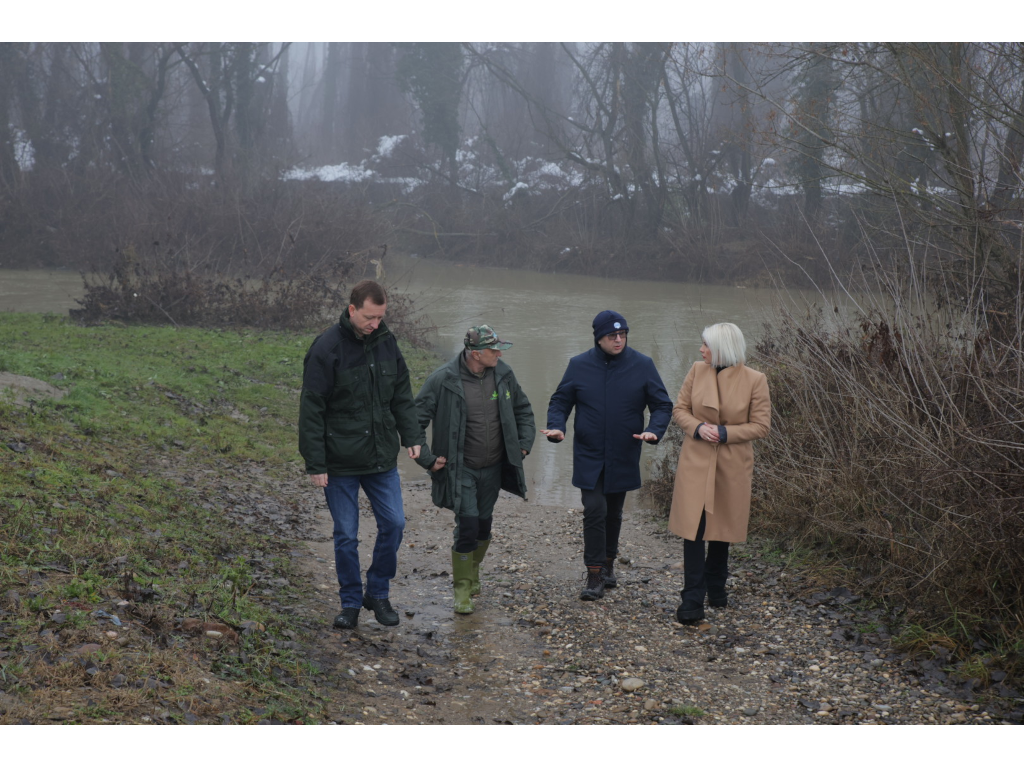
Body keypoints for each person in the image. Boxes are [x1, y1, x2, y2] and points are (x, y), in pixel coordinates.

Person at [299, 280, 424, 631]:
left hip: (380, 458)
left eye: (380, 317)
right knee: (346, 536)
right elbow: (311, 410)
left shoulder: (387, 341)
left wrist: (412, 436)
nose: (375, 324)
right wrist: (315, 462)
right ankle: (351, 602)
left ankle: (378, 593)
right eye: (369, 317)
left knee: (395, 524)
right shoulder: (326, 348)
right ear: (352, 309)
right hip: (339, 462)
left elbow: (401, 394)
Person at [542, 310, 673, 602]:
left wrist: (653, 430)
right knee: (594, 509)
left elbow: (662, 405)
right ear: (599, 338)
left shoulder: (642, 365)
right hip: (588, 453)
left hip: (624, 452)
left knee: (613, 512)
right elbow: (560, 401)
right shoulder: (579, 365)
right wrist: (556, 426)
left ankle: (608, 565)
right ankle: (594, 574)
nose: (618, 340)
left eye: (622, 334)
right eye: (612, 335)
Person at [415, 326, 536, 615]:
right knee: (467, 526)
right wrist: (427, 458)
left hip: (493, 468)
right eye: (494, 350)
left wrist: (523, 446)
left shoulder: (503, 374)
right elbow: (414, 420)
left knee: (483, 525)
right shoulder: (443, 379)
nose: (499, 354)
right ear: (476, 353)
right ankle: (462, 590)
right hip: (461, 469)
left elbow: (523, 410)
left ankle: (473, 572)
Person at [668, 323, 771, 624]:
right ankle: (691, 597)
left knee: (721, 527)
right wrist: (698, 427)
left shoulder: (755, 379)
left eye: (706, 345)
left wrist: (725, 433)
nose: (701, 350)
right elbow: (680, 410)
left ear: (722, 349)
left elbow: (761, 426)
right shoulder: (696, 370)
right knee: (694, 527)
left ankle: (716, 586)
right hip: (696, 460)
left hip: (732, 462)